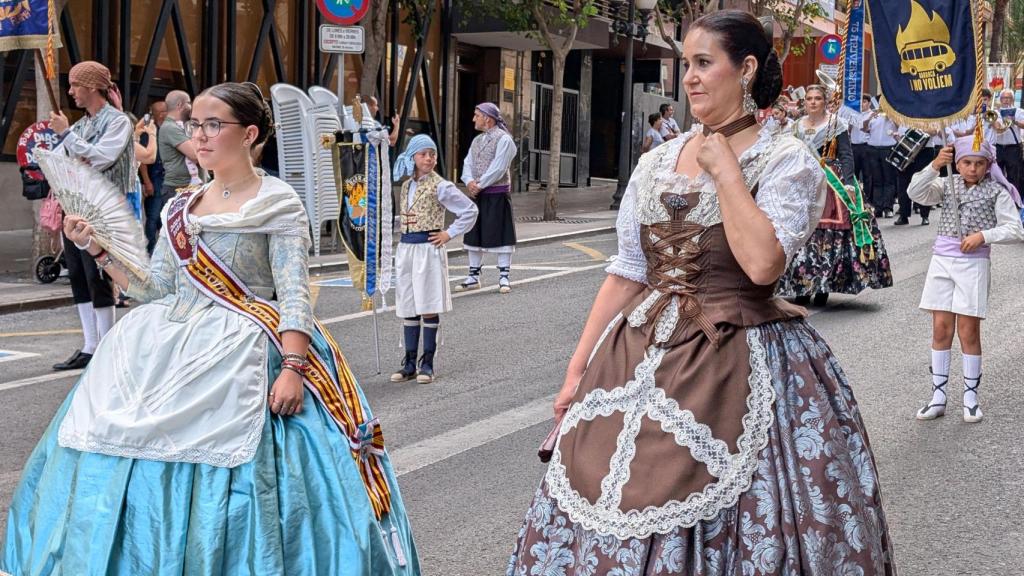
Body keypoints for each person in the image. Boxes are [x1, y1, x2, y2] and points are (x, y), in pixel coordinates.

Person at [507, 11, 895, 574]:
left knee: (741, 508)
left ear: (747, 69)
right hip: (634, 353)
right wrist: (576, 369)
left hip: (739, 353)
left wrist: (727, 174)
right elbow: (627, 272)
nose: (690, 77)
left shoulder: (786, 160)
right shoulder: (657, 161)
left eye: (704, 63)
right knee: (604, 489)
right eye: (686, 64)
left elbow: (763, 265)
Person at [1, 82, 419, 574]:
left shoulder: (279, 203)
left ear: (249, 133)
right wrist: (96, 248)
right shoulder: (181, 206)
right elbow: (153, 289)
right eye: (195, 124)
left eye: (213, 125)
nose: (198, 136)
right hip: (164, 347)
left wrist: (292, 366)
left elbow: (292, 293)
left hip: (246, 349)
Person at [907, 136, 1024, 423]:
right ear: (957, 163)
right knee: (940, 329)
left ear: (988, 164)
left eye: (979, 163)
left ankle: (970, 397)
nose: (972, 169)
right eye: (967, 162)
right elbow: (915, 192)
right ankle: (938, 396)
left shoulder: (997, 191)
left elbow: (1015, 229)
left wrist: (984, 236)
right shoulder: (946, 184)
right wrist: (935, 165)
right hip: (942, 263)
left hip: (973, 266)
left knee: (968, 331)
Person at [48, 61, 135, 371]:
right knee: (78, 274)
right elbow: (65, 160)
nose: (70, 92)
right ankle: (90, 344)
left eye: (74, 86)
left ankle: (106, 343)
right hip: (75, 209)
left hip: (103, 209)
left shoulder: (119, 122)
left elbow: (101, 157)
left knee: (98, 274)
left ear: (91, 87)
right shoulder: (82, 125)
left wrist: (67, 137)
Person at [777, 84, 892, 306]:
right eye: (809, 98)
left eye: (817, 98)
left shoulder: (835, 123)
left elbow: (847, 155)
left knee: (827, 232)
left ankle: (824, 286)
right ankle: (802, 284)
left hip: (831, 181)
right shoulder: (797, 127)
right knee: (802, 233)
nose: (812, 102)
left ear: (825, 101)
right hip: (803, 182)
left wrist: (849, 183)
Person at [389, 134, 478, 384]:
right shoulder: (406, 185)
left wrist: (448, 233)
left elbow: (470, 210)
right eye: (423, 154)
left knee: (427, 304)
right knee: (408, 304)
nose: (429, 158)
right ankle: (408, 362)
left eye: (432, 154)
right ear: (413, 157)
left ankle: (426, 363)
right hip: (406, 248)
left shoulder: (441, 185)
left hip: (427, 248)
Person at [458, 102, 518, 293]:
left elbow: (499, 167)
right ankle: (473, 276)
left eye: (477, 115)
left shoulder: (504, 140)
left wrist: (479, 184)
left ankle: (504, 277)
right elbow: (467, 163)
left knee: (501, 235)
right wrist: (468, 182)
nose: (474, 118)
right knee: (474, 234)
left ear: (487, 118)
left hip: (497, 194)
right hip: (478, 194)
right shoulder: (477, 141)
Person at [863, 104, 899, 217]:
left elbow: (899, 127)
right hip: (873, 149)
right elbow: (864, 129)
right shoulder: (873, 115)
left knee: (889, 179)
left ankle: (888, 207)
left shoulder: (894, 114)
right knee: (876, 180)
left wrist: (891, 116)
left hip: (888, 148)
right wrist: (869, 118)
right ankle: (878, 207)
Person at [141, 100, 167, 253]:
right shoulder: (148, 131)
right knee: (152, 217)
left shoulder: (166, 130)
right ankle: (149, 251)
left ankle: (161, 250)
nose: (165, 114)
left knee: (162, 217)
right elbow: (143, 159)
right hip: (154, 177)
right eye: (162, 112)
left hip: (165, 178)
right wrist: (147, 181)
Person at [993, 89, 1024, 192]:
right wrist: (998, 125)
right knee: (998, 174)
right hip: (999, 147)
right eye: (1004, 98)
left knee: (1014, 175)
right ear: (1000, 99)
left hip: (1013, 148)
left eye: (1008, 98)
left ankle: (1015, 200)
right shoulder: (996, 112)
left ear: (1012, 100)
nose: (1006, 100)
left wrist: (1013, 121)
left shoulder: (1019, 111)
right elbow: (997, 128)